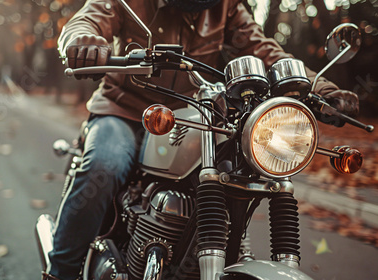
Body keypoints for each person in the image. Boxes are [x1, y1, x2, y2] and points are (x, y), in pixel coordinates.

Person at [44, 0, 359, 279]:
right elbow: (88, 19)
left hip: (190, 117)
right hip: (123, 109)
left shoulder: (226, 7)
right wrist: (81, 40)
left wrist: (324, 90)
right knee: (105, 165)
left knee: (236, 169)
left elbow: (264, 50)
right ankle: (61, 272)